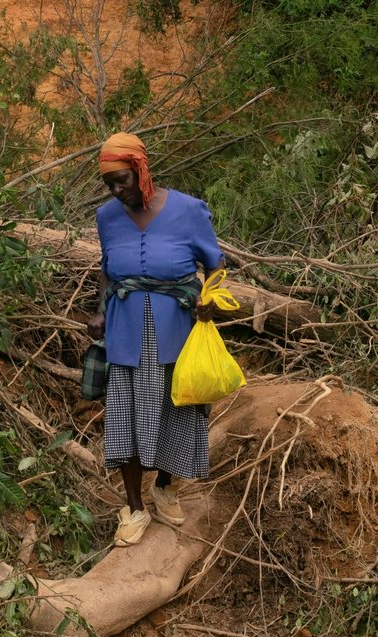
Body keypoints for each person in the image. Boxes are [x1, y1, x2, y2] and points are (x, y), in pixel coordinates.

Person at [87, 132, 224, 547]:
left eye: (122, 180)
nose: (116, 190)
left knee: (175, 411)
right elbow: (108, 267)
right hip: (125, 328)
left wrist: (210, 300)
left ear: (142, 170)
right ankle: (133, 507)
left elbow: (216, 266)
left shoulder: (188, 210)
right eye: (110, 183)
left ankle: (165, 485)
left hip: (178, 329)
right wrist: (98, 310)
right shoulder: (107, 216)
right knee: (126, 416)